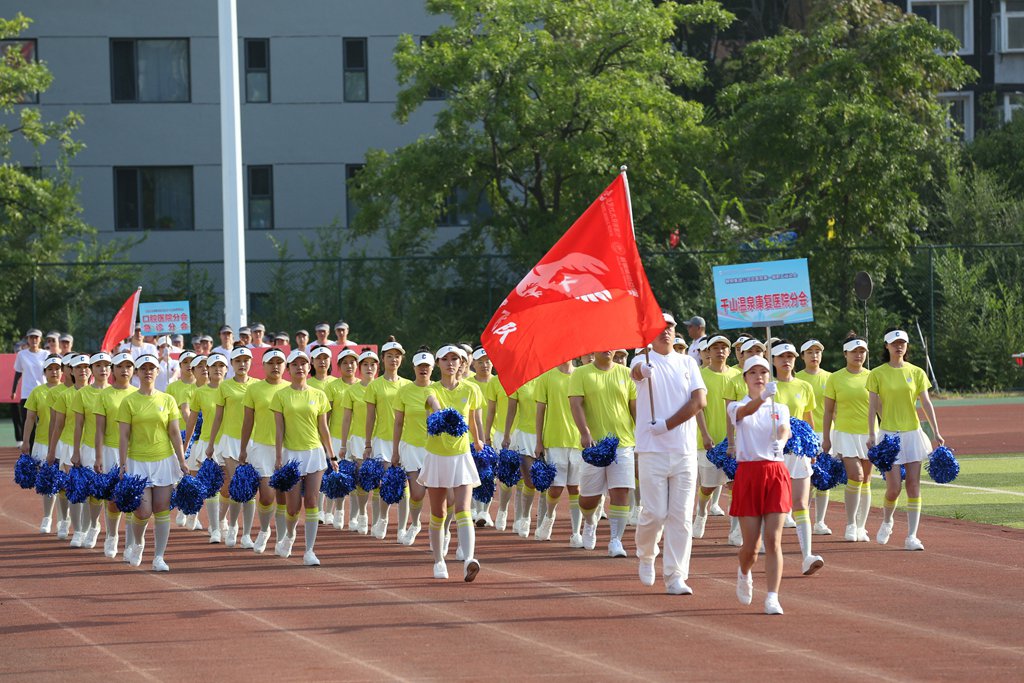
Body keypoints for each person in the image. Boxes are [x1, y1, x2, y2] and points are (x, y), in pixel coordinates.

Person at [630, 311, 707, 594]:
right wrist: (642, 371)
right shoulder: (642, 359)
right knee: (654, 512)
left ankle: (676, 576)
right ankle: (647, 555)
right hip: (652, 450)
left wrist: (667, 424)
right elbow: (635, 372)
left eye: (671, 327)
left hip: (684, 450)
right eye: (660, 327)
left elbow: (700, 400)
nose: (666, 331)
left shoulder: (688, 362)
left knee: (681, 516)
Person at [867, 329, 943, 551]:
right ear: (886, 346)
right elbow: (872, 406)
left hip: (912, 433)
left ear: (907, 346)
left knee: (913, 485)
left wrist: (936, 431)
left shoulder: (917, 372)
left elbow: (926, 403)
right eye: (894, 343)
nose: (899, 346)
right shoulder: (877, 374)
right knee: (893, 488)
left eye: (902, 343)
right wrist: (872, 434)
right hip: (889, 434)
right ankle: (887, 520)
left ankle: (912, 536)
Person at [729, 356, 792, 615]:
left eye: (763, 372)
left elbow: (784, 427)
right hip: (749, 473)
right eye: (752, 372)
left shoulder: (780, 405)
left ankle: (773, 596)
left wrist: (782, 441)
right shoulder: (736, 406)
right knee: (752, 547)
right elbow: (747, 412)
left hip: (775, 472)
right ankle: (744, 571)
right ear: (745, 378)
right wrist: (764, 397)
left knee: (773, 540)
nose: (758, 376)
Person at [117, 353, 188, 571]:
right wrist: (123, 464)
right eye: (143, 368)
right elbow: (123, 436)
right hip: (138, 462)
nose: (148, 371)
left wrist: (182, 460)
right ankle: (137, 543)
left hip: (163, 460)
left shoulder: (167, 399)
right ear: (137, 373)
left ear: (158, 372)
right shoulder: (129, 401)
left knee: (162, 509)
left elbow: (175, 433)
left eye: (152, 368)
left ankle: (159, 557)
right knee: (142, 511)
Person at [421, 344, 484, 581]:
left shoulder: (471, 389)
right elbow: (433, 405)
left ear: (462, 363)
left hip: (461, 456)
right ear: (438, 363)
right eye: (445, 359)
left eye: (454, 359)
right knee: (438, 512)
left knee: (463, 509)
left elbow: (474, 419)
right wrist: (441, 411)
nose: (450, 363)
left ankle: (469, 559)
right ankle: (439, 560)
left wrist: (479, 442)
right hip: (437, 456)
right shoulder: (431, 389)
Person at [568, 349, 638, 557]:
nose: (607, 349)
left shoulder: (627, 373)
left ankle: (615, 540)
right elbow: (575, 404)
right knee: (589, 498)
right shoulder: (581, 374)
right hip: (594, 445)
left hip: (623, 444)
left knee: (621, 491)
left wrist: (642, 436)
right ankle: (589, 522)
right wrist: (584, 432)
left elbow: (634, 408)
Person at [271, 350, 337, 565]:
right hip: (291, 454)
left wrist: (332, 455)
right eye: (295, 364)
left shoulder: (318, 394)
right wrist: (279, 455)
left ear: (309, 368)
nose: (299, 367)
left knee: (311, 500)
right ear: (288, 369)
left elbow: (324, 428)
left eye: (303, 364)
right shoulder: (281, 395)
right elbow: (279, 429)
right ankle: (289, 535)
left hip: (314, 453)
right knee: (292, 507)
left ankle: (309, 550)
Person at [770, 339, 824, 576]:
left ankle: (807, 556)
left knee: (801, 503)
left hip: (799, 451)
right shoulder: (767, 386)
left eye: (790, 356)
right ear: (773, 360)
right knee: (776, 506)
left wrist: (813, 447)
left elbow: (808, 419)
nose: (787, 360)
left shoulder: (804, 386)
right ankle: (772, 551)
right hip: (774, 452)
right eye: (782, 357)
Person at [822, 335, 874, 543]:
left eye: (861, 351)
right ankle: (851, 524)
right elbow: (828, 412)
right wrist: (826, 438)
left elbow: (880, 407)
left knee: (867, 480)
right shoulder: (835, 378)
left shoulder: (872, 376)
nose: (858, 355)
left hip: (869, 434)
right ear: (845, 353)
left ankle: (862, 526)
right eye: (854, 351)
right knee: (856, 476)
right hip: (845, 433)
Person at [239, 348, 289, 554]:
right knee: (267, 495)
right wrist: (243, 449)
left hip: (288, 447)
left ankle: (283, 537)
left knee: (284, 495)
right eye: (271, 363)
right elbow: (248, 421)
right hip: (261, 447)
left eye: (279, 362)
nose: (275, 366)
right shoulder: (254, 389)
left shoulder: (290, 388)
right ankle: (265, 530)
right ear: (264, 365)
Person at [205, 347, 256, 548]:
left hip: (254, 442)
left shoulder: (257, 386)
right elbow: (218, 417)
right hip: (230, 441)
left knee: (251, 489)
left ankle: (247, 534)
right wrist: (211, 444)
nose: (242, 364)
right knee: (237, 485)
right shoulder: (224, 387)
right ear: (232, 364)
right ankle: (233, 527)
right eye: (238, 360)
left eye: (246, 360)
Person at [362, 337, 411, 539]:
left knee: (405, 483)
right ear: (382, 359)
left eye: (397, 356)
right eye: (389, 356)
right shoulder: (375, 386)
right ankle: (382, 518)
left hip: (406, 440)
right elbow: (370, 416)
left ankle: (401, 528)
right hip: (383, 438)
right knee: (385, 480)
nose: (393, 360)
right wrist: (367, 444)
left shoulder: (408, 385)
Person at [693, 333, 740, 539]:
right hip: (709, 440)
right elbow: (697, 408)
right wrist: (704, 433)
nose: (720, 351)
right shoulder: (700, 375)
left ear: (729, 352)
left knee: (736, 485)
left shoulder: (737, 376)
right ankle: (701, 513)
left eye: (724, 347)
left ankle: (735, 529)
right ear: (708, 352)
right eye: (715, 347)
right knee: (708, 486)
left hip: (735, 441)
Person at [533, 360, 582, 544]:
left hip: (577, 440)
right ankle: (549, 518)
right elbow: (540, 411)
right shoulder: (546, 377)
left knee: (575, 487)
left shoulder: (580, 375)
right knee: (555, 488)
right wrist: (539, 440)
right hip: (554, 439)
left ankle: (576, 532)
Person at [392, 347, 436, 545]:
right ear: (414, 367)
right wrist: (395, 450)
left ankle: (441, 530)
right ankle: (416, 523)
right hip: (411, 447)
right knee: (417, 493)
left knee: (438, 494)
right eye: (420, 366)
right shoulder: (404, 391)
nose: (423, 369)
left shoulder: (438, 390)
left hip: (435, 448)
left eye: (427, 366)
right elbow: (398, 423)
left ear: (433, 368)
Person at [69, 352, 113, 549]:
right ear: (92, 370)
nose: (102, 369)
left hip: (112, 449)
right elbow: (78, 425)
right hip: (89, 448)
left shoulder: (116, 392)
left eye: (106, 365)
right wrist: (76, 451)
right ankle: (92, 526)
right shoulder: (82, 394)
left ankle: (110, 534)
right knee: (92, 492)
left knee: (112, 492)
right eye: (98, 365)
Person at [46, 353, 90, 540]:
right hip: (68, 446)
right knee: (72, 488)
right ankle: (75, 528)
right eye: (78, 368)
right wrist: (51, 451)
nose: (82, 371)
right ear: (71, 371)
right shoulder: (64, 396)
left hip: (91, 447)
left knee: (89, 491)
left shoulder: (100, 393)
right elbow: (57, 426)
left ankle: (88, 529)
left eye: (85, 367)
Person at [340, 348, 380, 533]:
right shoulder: (352, 391)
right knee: (362, 478)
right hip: (358, 438)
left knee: (379, 479)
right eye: (365, 364)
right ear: (359, 368)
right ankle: (362, 514)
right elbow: (346, 419)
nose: (369, 368)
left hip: (380, 437)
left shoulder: (382, 387)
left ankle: (379, 519)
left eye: (372, 364)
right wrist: (342, 444)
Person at [796, 339, 833, 535]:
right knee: (805, 479)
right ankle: (804, 518)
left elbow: (835, 408)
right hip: (803, 435)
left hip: (826, 433)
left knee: (823, 477)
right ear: (802, 356)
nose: (814, 355)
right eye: (809, 352)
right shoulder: (797, 378)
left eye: (817, 351)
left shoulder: (830, 378)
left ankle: (820, 521)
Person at [23, 354, 63, 534]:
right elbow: (30, 418)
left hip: (64, 443)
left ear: (62, 371)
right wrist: (25, 442)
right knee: (48, 482)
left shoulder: (69, 391)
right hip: (42, 443)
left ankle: (63, 520)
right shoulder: (37, 392)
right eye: (50, 369)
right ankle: (47, 518)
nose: (54, 372)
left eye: (57, 368)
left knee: (64, 484)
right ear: (45, 372)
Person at [503, 376, 540, 538]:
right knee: (530, 481)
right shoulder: (519, 379)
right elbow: (511, 410)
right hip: (525, 434)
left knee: (548, 484)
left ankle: (543, 523)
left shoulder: (549, 378)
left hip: (547, 434)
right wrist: (506, 434)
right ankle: (525, 517)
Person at [11, 328, 47, 449]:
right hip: (27, 394)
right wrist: (14, 390)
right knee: (29, 423)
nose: (34, 340)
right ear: (27, 339)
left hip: (44, 394)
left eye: (36, 337)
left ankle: (44, 450)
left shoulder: (46, 354)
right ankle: (30, 451)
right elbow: (18, 373)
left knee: (44, 422)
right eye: (31, 337)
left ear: (40, 339)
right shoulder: (21, 355)